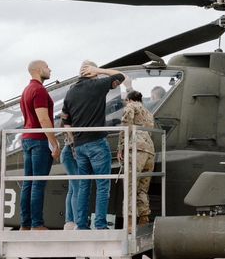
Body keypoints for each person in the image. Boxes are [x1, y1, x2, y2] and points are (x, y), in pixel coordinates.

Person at [62, 61, 125, 230]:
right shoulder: (97, 85)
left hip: (79, 146)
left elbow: (65, 122)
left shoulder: (70, 92)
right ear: (91, 72)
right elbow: (121, 76)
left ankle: (81, 225)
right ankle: (100, 224)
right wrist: (100, 70)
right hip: (97, 143)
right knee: (103, 185)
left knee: (84, 186)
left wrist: (74, 143)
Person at [19, 59, 60, 230]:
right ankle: (37, 224)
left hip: (27, 139)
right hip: (39, 141)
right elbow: (43, 119)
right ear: (38, 70)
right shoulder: (39, 90)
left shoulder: (26, 90)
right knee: (38, 183)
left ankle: (25, 224)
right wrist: (54, 144)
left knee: (28, 182)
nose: (50, 69)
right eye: (47, 67)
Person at [117, 90, 155, 229]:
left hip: (136, 148)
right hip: (150, 150)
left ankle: (130, 224)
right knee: (142, 189)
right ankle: (144, 219)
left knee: (130, 186)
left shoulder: (130, 107)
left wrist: (120, 147)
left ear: (129, 99)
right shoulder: (148, 112)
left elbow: (126, 127)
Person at [60, 121, 79, 230]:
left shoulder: (66, 120)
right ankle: (77, 222)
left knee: (72, 189)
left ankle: (69, 221)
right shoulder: (71, 123)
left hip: (68, 155)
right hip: (70, 155)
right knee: (77, 188)